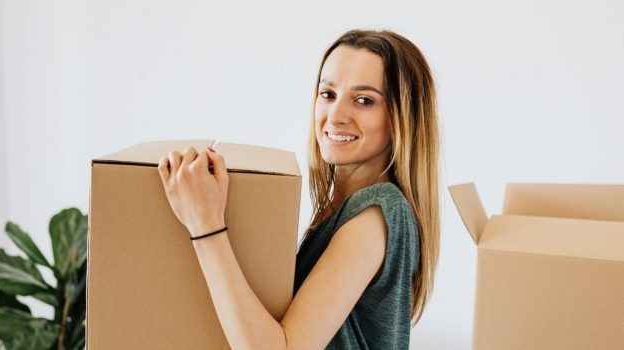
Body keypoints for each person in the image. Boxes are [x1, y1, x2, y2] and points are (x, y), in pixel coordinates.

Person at [157, 28, 440, 350]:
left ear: (403, 118)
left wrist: (205, 225)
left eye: (364, 100)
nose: (335, 116)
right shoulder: (343, 209)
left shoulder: (377, 212)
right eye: (328, 94)